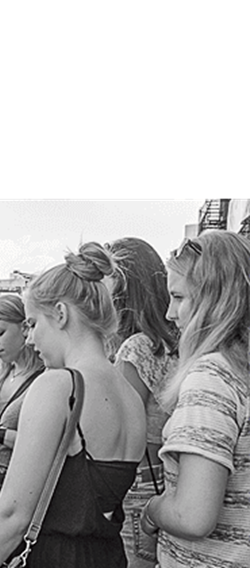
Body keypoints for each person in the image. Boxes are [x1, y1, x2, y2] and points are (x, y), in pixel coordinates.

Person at [0, 243, 146, 568]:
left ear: (60, 314)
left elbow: (13, 518)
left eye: (32, 324)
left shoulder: (59, 385)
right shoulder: (130, 395)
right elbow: (78, 498)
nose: (30, 339)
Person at [141, 231, 250, 568]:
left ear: (213, 298)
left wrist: (152, 510)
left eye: (178, 297)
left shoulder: (212, 376)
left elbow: (193, 517)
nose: (171, 313)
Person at [106, 237, 180, 568]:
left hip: (136, 484)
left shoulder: (135, 348)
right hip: (163, 479)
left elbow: (117, 431)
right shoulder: (169, 342)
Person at [0, 294, 46, 467]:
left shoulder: (45, 377)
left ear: (24, 328)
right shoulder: (2, 373)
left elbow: (45, 445)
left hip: (8, 483)